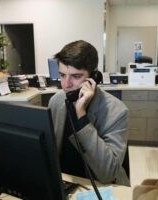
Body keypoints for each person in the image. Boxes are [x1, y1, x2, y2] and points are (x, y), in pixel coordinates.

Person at [48, 40, 129, 186]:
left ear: (94, 77)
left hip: (100, 186)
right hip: (65, 181)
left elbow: (108, 173)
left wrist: (81, 115)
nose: (66, 85)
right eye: (62, 75)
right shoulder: (56, 102)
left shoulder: (116, 111)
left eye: (76, 76)